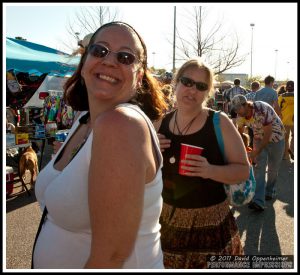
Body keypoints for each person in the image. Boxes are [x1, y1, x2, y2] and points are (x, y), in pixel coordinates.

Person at [32, 21, 168, 269]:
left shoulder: (121, 125)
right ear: (84, 64)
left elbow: (110, 258)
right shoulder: (84, 121)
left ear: (138, 77)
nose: (109, 61)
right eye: (100, 51)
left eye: (126, 57)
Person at [153, 58, 250, 268]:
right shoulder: (159, 123)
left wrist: (209, 170)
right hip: (166, 223)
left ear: (207, 92)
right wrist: (149, 152)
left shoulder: (219, 122)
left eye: (201, 86)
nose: (192, 90)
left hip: (212, 224)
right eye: (187, 82)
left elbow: (243, 171)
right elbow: (142, 174)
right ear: (176, 83)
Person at [232, 95, 285, 211]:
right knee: (259, 168)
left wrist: (256, 152)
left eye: (238, 108)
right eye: (235, 109)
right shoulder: (240, 116)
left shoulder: (261, 109)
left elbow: (268, 134)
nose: (237, 111)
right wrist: (244, 151)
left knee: (273, 169)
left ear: (246, 105)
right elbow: (239, 135)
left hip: (276, 138)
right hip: (258, 137)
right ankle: (258, 201)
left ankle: (270, 190)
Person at [278, 80, 294, 160]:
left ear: (286, 87)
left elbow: (278, 108)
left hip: (284, 120)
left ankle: (285, 154)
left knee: (285, 138)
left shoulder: (281, 96)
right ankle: (292, 150)